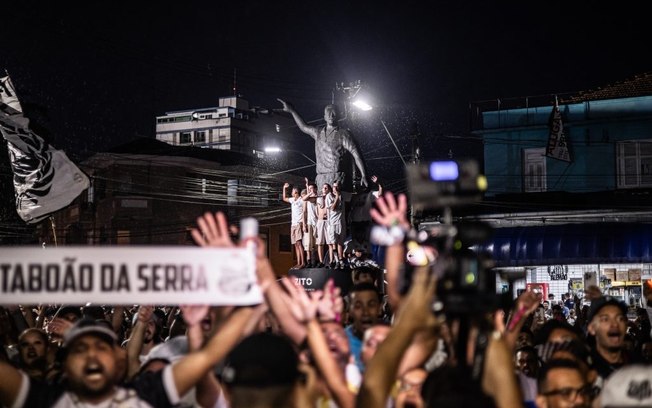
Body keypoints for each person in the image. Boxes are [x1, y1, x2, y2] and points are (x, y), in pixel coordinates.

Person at [277, 98, 368, 192]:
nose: (331, 115)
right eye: (328, 112)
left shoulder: (344, 134)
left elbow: (357, 155)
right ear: (324, 116)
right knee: (321, 205)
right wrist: (292, 111)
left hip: (339, 178)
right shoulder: (318, 132)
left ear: (339, 115)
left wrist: (364, 175)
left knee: (338, 204)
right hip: (321, 178)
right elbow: (303, 127)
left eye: (334, 112)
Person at [283, 182, 306, 269]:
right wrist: (284, 188)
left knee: (299, 243)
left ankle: (303, 263)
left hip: (299, 223)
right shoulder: (293, 200)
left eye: (292, 191)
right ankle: (298, 262)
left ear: (296, 192)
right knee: (296, 244)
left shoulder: (301, 200)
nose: (291, 192)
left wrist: (303, 224)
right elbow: (284, 198)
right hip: (293, 224)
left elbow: (304, 212)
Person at [326, 181, 346, 269]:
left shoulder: (343, 195)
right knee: (334, 242)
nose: (336, 188)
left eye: (337, 187)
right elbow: (333, 208)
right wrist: (337, 196)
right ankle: (336, 260)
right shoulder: (329, 196)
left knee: (340, 243)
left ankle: (341, 260)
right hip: (332, 223)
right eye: (334, 187)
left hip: (341, 222)